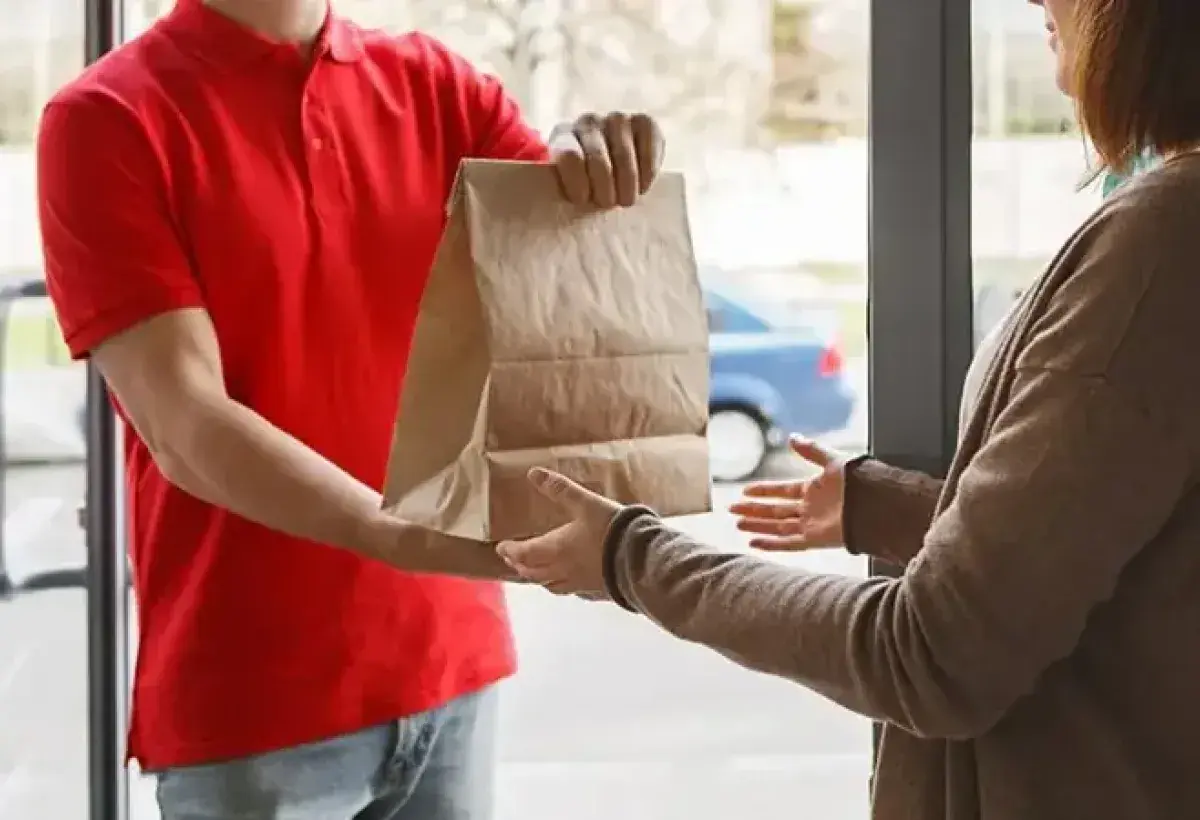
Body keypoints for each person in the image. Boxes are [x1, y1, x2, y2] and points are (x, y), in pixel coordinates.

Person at [499, 0, 1200, 817]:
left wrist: (632, 559)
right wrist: (893, 509)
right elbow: (1124, 564)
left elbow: (931, 656)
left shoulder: (1160, 247)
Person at [36, 0, 664, 818]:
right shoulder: (108, 119)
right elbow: (186, 425)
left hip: (451, 666)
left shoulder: (439, 86)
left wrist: (594, 162)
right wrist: (402, 536)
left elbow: (572, 284)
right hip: (257, 704)